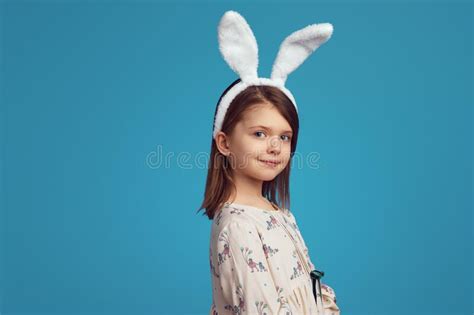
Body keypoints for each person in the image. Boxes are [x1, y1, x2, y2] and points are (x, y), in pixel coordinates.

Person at [197, 10, 341, 315]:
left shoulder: (279, 214)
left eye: (285, 137)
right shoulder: (238, 225)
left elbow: (313, 292)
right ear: (224, 142)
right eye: (259, 133)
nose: (274, 147)